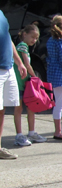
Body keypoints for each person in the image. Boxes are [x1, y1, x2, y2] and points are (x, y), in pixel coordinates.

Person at [0, 10, 28, 160]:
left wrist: (19, 62)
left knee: (2, 109)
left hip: (8, 66)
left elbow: (8, 39)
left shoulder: (2, 14)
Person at [13, 25, 47, 146]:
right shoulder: (22, 46)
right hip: (19, 82)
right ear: (24, 34)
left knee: (29, 107)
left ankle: (31, 132)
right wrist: (35, 77)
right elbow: (27, 65)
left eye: (36, 38)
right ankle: (20, 135)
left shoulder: (25, 47)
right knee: (20, 108)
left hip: (25, 82)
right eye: (32, 37)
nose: (34, 40)